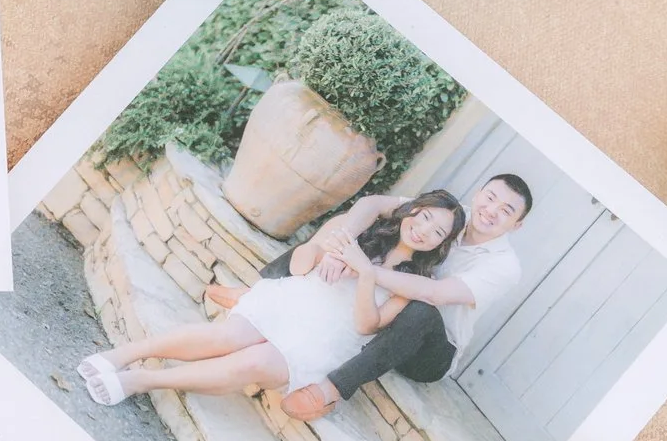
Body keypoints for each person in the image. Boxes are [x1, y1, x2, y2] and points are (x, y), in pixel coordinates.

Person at [76, 192, 465, 407]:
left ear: (441, 245)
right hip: (292, 303)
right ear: (412, 210)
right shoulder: (360, 232)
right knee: (224, 339)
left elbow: (367, 326)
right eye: (425, 217)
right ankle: (124, 355)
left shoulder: (415, 280)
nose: (425, 230)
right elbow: (298, 267)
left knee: (253, 362)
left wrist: (365, 274)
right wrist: (325, 247)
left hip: (326, 340)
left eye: (437, 232)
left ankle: (142, 380)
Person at [206, 172, 534, 421]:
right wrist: (343, 244)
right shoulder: (450, 216)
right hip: (385, 308)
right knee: (345, 224)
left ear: (517, 226)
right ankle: (261, 293)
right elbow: (373, 204)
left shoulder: (506, 266)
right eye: (489, 198)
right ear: (478, 193)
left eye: (505, 210)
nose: (491, 210)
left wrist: (362, 267)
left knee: (420, 310)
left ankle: (329, 391)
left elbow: (435, 293)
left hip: (431, 349)